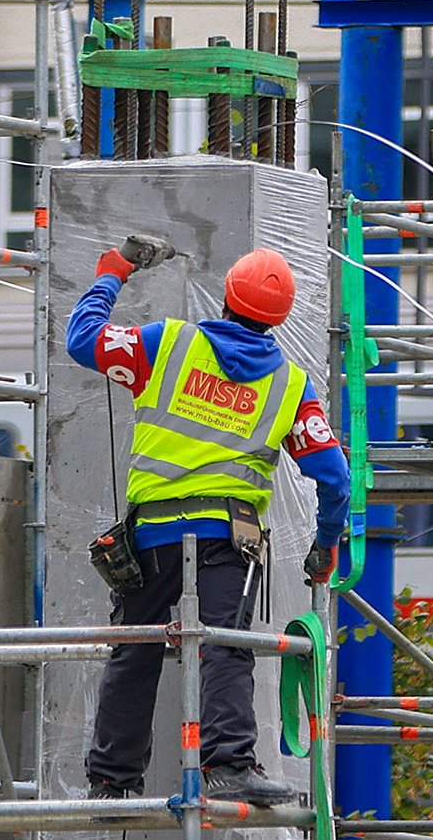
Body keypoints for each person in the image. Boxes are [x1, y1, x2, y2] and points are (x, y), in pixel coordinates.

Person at [67, 242, 346, 807]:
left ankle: (110, 781)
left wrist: (111, 275)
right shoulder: (290, 386)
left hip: (151, 537)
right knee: (224, 647)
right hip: (228, 537)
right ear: (280, 318)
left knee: (136, 646)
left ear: (226, 299)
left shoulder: (165, 344)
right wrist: (325, 544)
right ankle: (229, 766)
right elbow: (334, 477)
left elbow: (83, 340)